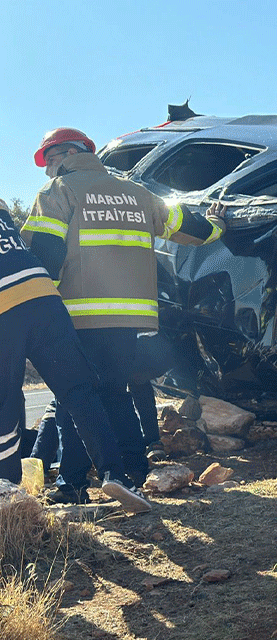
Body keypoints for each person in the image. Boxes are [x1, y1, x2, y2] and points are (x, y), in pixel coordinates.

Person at [21, 127, 226, 502]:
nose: (47, 170)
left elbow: (46, 259)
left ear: (67, 153)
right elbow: (188, 226)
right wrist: (217, 224)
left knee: (74, 396)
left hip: (78, 315)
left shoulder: (58, 192)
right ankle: (134, 471)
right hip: (130, 317)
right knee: (115, 392)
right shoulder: (137, 193)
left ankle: (72, 485)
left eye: (49, 160)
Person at [0, 198, 150, 513]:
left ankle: (8, 494)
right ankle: (115, 474)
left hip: (4, 306)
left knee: (6, 404)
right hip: (45, 298)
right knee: (80, 393)